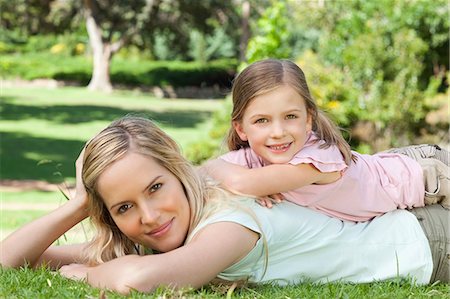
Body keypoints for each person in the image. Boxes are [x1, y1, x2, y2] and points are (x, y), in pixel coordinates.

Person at [0, 116, 448, 295]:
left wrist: (88, 273)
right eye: (124, 208)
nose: (149, 216)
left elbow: (138, 281)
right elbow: (9, 261)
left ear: (179, 171)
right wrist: (79, 204)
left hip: (428, 237)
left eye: (156, 188)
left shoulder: (231, 220)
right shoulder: (163, 232)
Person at [202, 59, 450, 222]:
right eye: (262, 121)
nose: (277, 132)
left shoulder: (314, 160)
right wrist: (233, 181)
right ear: (241, 128)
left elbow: (239, 181)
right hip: (402, 170)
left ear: (308, 119)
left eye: (290, 116)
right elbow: (197, 175)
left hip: (428, 175)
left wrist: (237, 182)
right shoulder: (254, 156)